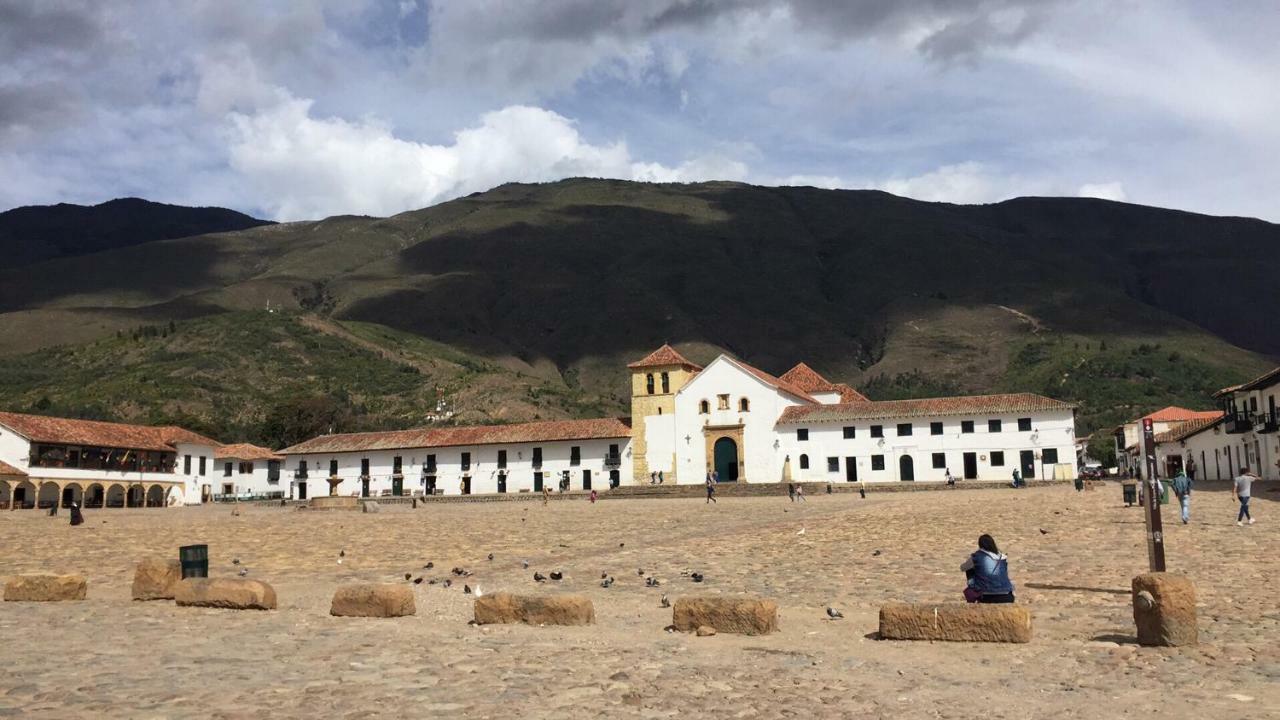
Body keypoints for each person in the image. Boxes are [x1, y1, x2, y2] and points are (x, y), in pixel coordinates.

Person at [961, 534, 1015, 603]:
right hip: (1007, 594)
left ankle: (973, 591)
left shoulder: (977, 556)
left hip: (986, 595)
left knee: (969, 569)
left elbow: (963, 568)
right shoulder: (1002, 557)